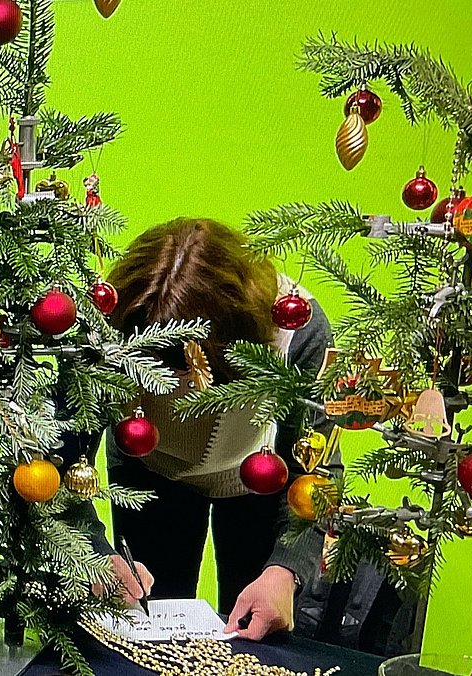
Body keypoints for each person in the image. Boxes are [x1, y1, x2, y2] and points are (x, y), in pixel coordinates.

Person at [70, 217, 333, 640]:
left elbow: (316, 476)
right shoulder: (107, 319)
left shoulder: (297, 330)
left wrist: (286, 570)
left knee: (256, 628)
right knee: (145, 618)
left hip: (261, 482)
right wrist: (96, 556)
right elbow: (59, 463)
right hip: (150, 470)